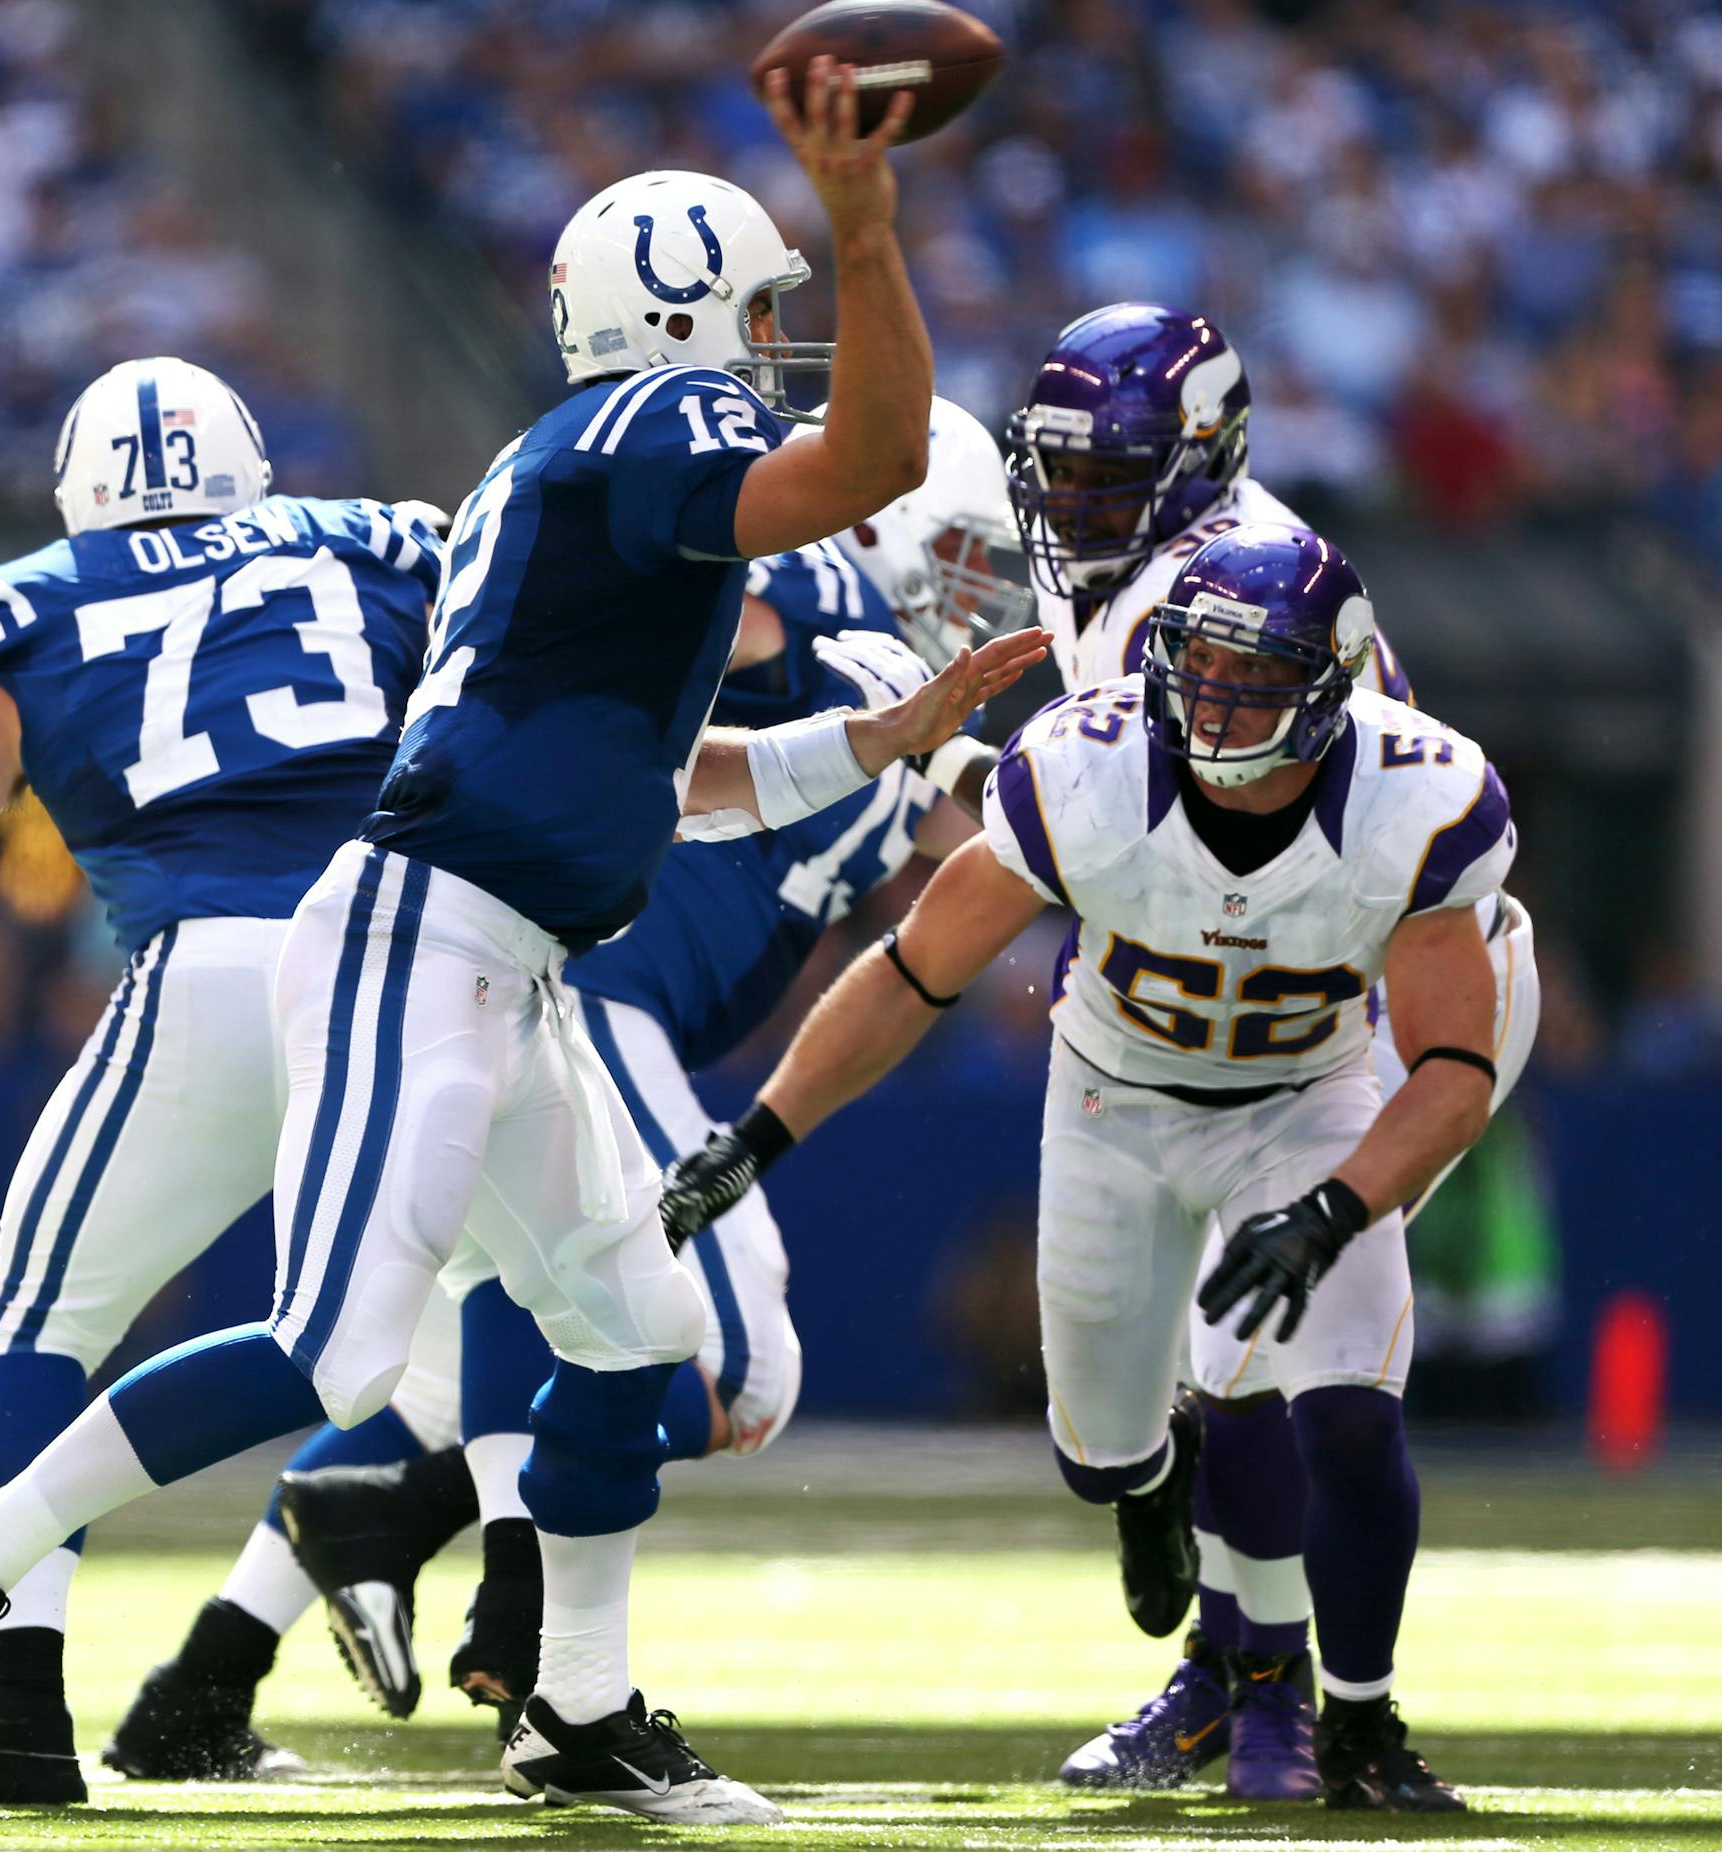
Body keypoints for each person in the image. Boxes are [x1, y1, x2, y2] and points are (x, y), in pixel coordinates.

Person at [0, 61, 1052, 1826]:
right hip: (418, 942)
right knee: (337, 1352)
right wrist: (868, 230)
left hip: (518, 962)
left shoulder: (593, 472)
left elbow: (672, 775)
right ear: (679, 312)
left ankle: (577, 1707)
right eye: (763, 307)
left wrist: (881, 737)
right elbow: (873, 454)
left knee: (636, 1317)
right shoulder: (645, 436)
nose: (777, 341)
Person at [107, 405, 1016, 1763]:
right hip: (574, 990)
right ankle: (522, 1621)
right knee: (732, 1360)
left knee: (452, 1368)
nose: (969, 583)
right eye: (952, 547)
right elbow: (725, 603)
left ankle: (204, 1681)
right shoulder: (814, 584)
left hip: (561, 991)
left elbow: (996, 817)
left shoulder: (876, 649)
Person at [663, 522, 1522, 1814]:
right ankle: (1150, 1478)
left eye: (1256, 675)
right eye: (1200, 665)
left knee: (1345, 1406)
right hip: (1111, 1105)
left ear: (1336, 684)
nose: (1216, 700)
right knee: (1100, 1453)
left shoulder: (1422, 800)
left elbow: (1455, 1061)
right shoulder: (1086, 765)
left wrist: (1334, 1209)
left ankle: (1359, 1726)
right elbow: (916, 970)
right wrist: (756, 1134)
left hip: (1308, 1101)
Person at [0, 354, 444, 1802]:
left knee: (44, 1321)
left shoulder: (41, 600)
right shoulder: (377, 544)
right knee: (516, 1318)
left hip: (217, 974)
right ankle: (563, 1678)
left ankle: (23, 1712)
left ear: (80, 493)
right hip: (414, 974)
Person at [999, 303, 1538, 1800]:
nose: (1078, 511)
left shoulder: (1213, 596)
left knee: (1265, 1362)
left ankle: (1271, 1695)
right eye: (1063, 477)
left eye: (1111, 480)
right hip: (1268, 975)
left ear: (1202, 462)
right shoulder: (1158, 586)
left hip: (1371, 983)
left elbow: (1329, 854)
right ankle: (1238, 1675)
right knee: (1225, 1366)